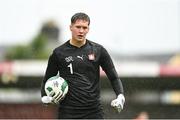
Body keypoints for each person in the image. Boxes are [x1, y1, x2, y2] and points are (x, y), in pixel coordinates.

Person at [41, 12, 125, 119]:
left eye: (84, 27)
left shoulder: (98, 50)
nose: (81, 31)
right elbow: (47, 79)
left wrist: (120, 95)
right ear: (71, 27)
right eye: (78, 27)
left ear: (88, 29)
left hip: (93, 112)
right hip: (68, 113)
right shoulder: (59, 53)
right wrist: (44, 97)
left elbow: (113, 77)